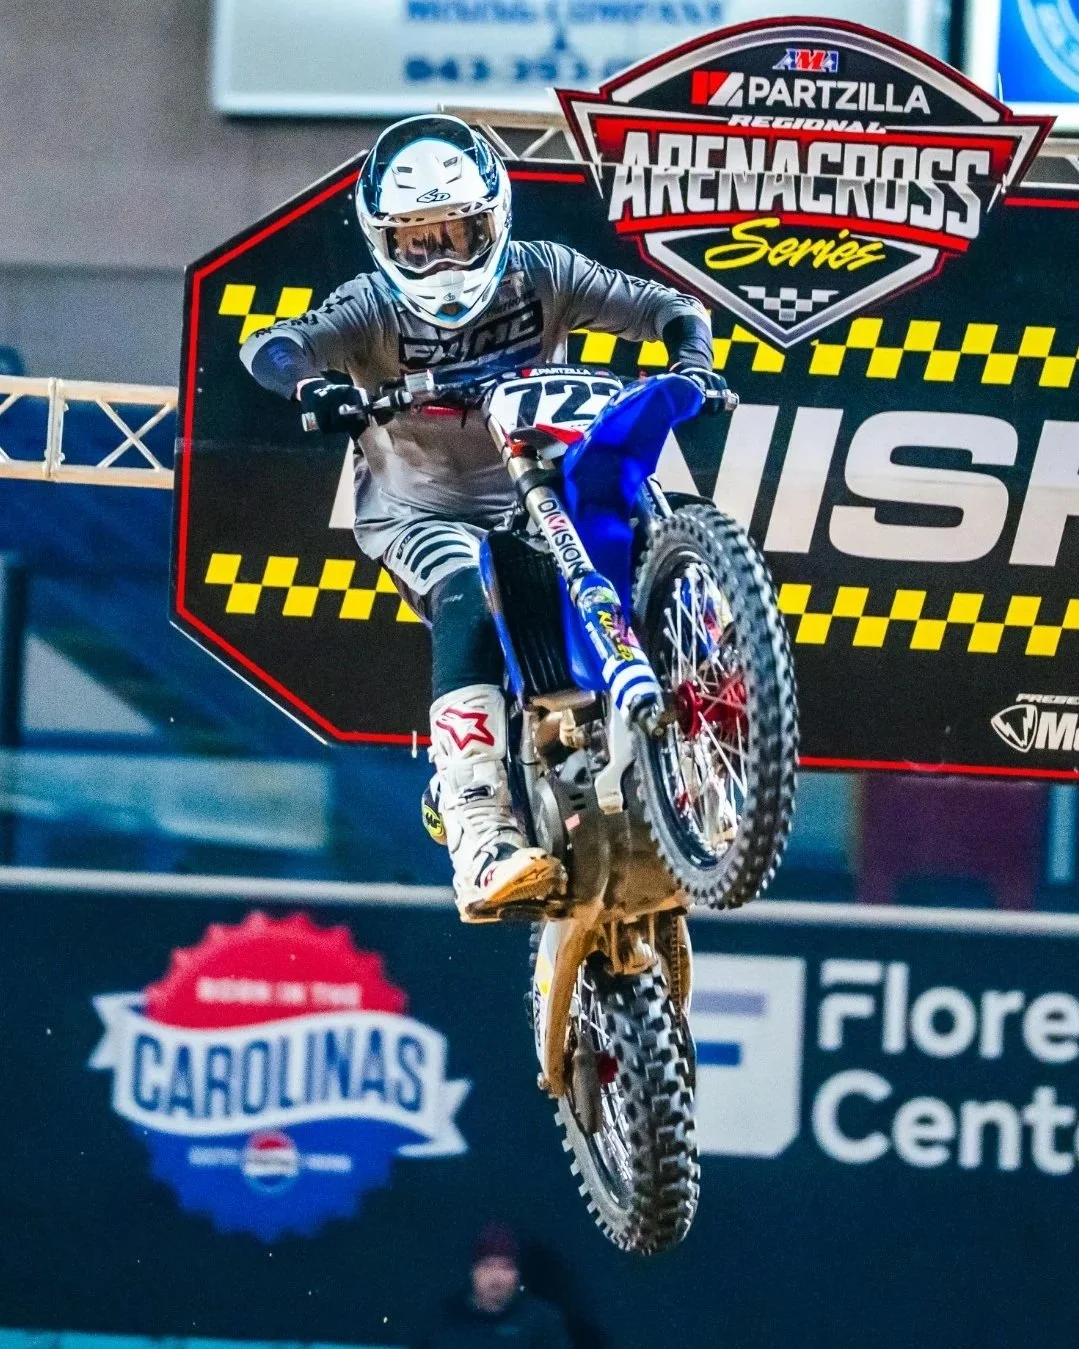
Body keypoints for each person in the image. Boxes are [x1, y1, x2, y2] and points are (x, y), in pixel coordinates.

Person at [241, 114, 729, 921]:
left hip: (540, 487)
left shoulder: (542, 273)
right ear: (381, 243)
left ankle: (703, 737)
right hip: (422, 510)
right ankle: (478, 827)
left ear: (494, 221)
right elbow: (273, 344)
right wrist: (312, 386)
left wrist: (691, 361)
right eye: (415, 242)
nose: (439, 259)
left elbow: (668, 307)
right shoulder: (368, 308)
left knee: (644, 523)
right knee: (471, 584)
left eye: (457, 234)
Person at [414, 1221, 571, 1349]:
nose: (496, 1276)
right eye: (487, 1266)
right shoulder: (442, 1321)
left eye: (506, 1267)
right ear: (472, 1271)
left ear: (517, 1274)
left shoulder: (542, 1322)